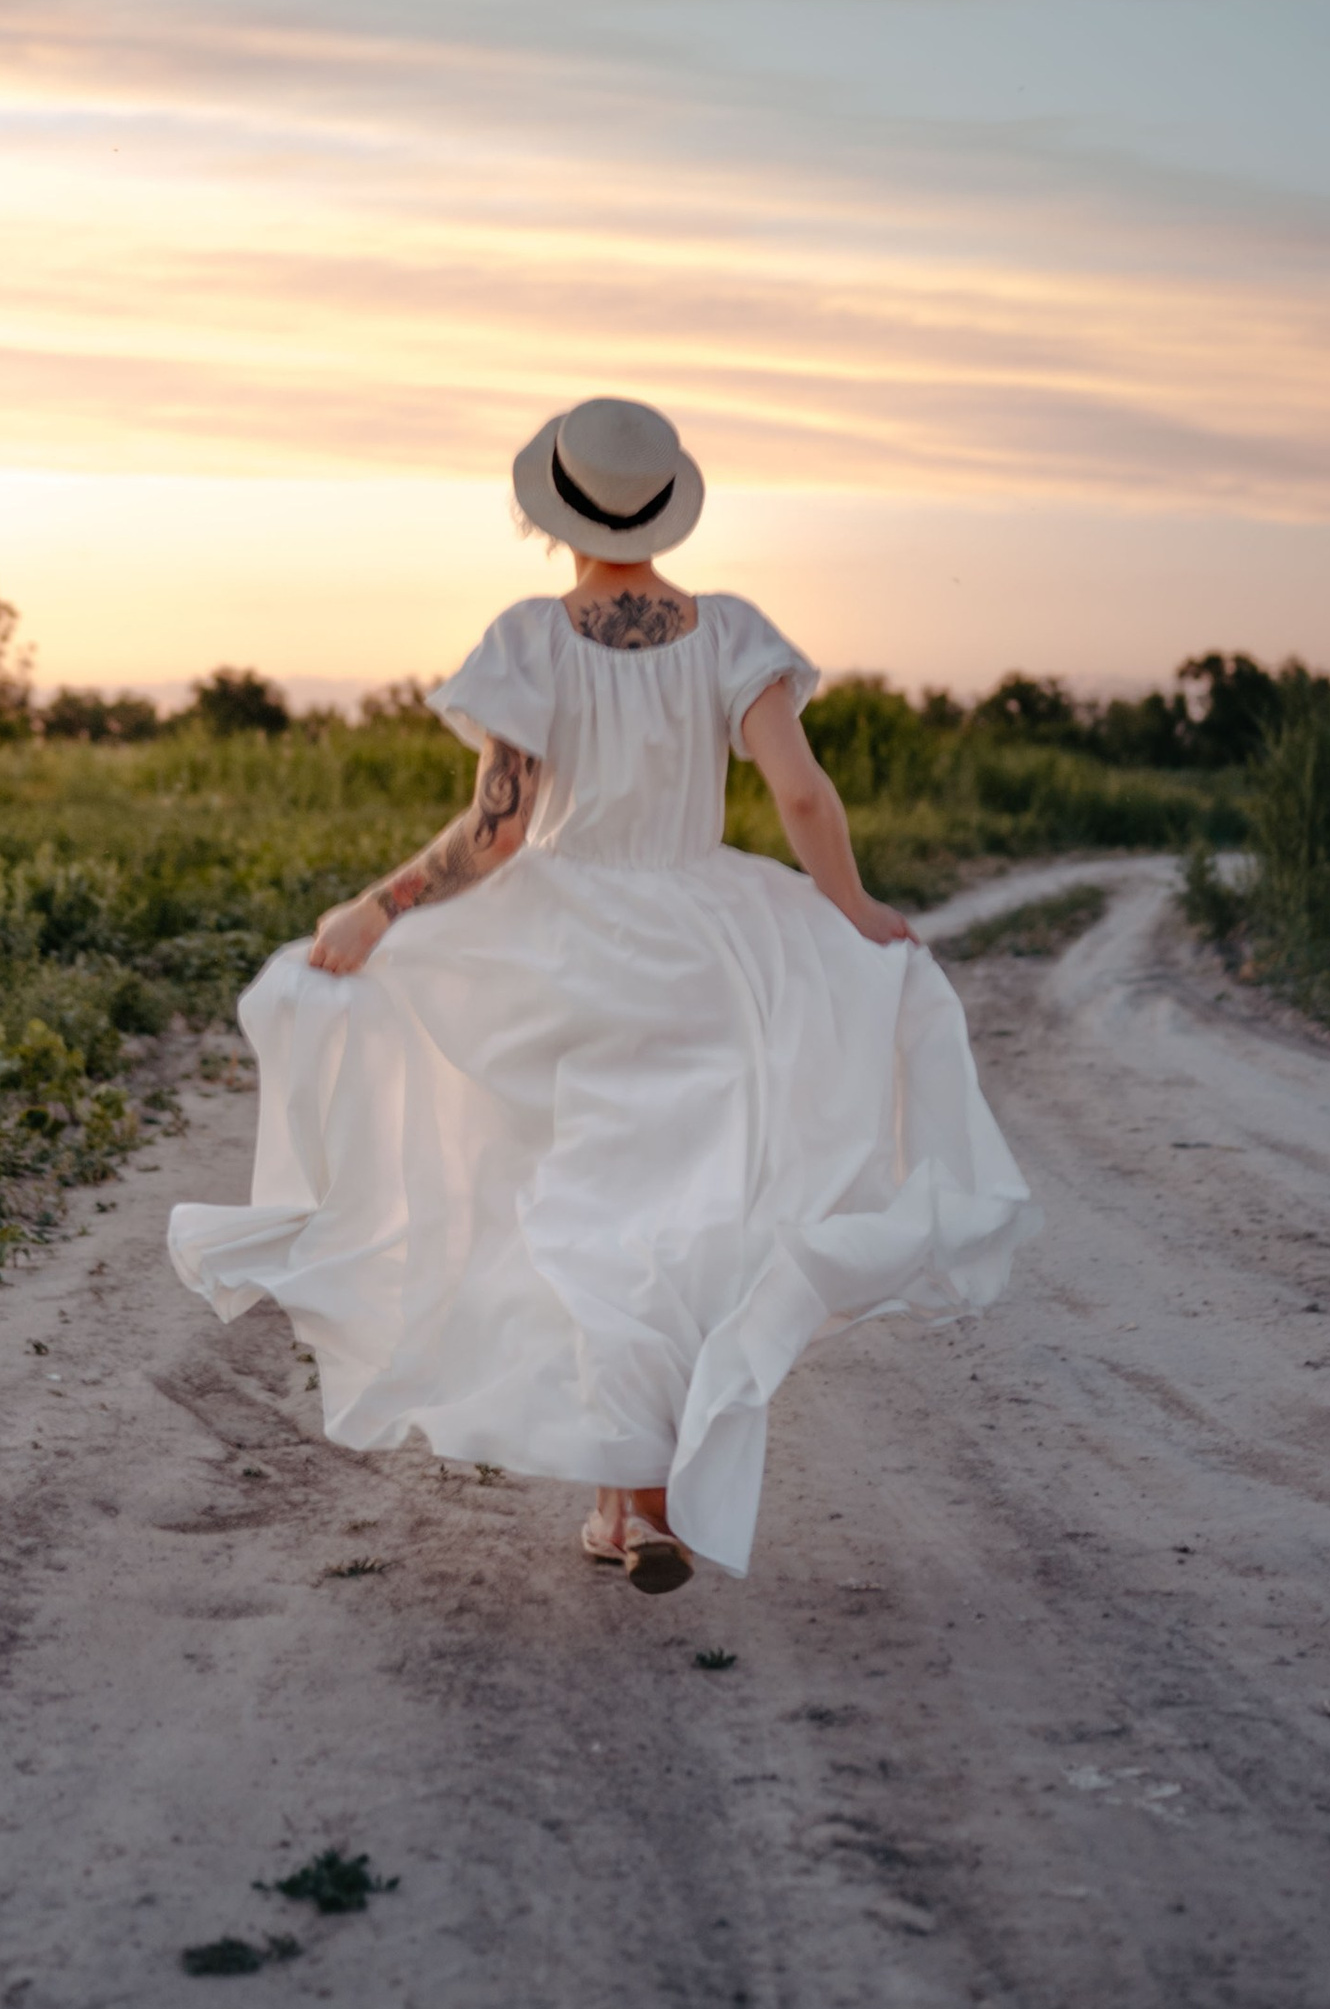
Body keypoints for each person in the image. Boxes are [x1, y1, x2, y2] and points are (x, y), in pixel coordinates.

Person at [164, 397, 1038, 1591]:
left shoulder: (532, 638)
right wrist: (850, 911)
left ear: (550, 511)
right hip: (710, 942)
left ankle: (631, 1503)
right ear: (663, 501)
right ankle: (639, 1502)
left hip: (565, 945)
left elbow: (502, 826)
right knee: (678, 1214)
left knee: (590, 1211)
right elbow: (801, 796)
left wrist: (383, 907)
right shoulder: (732, 631)